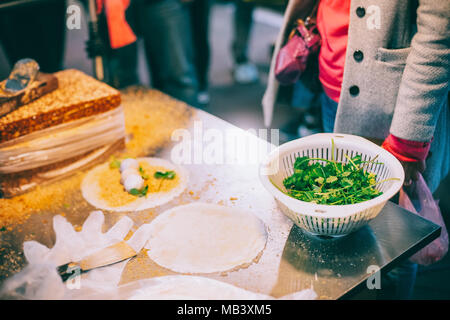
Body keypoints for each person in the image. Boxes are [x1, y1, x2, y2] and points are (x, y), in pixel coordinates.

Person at [263, 0, 449, 299]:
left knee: (393, 245)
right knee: (339, 228)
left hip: (393, 108)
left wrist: (406, 141)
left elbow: (438, 36)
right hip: (332, 82)